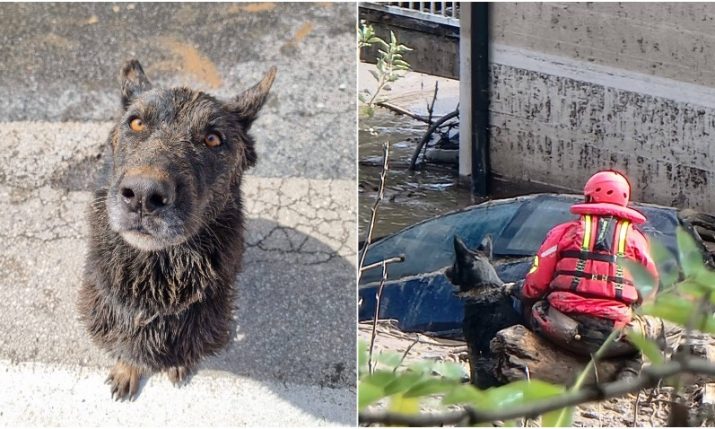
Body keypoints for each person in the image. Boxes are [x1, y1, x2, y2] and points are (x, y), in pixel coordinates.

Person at [510, 170, 675, 378]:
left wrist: (523, 293)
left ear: (589, 197)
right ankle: (630, 369)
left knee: (531, 304)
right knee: (650, 326)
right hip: (612, 340)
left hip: (561, 330)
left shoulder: (564, 233)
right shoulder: (637, 241)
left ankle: (535, 354)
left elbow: (535, 284)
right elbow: (649, 287)